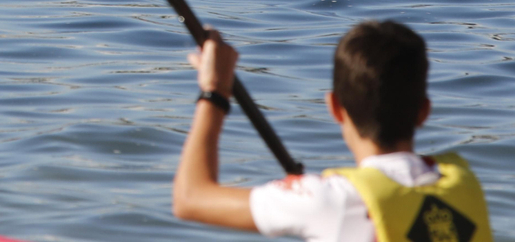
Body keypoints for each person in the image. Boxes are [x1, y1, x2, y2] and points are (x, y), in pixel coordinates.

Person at [172, 21, 493, 242]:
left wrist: (214, 93)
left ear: (334, 108)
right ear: (424, 110)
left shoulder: (329, 200)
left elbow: (189, 198)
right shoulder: (463, 184)